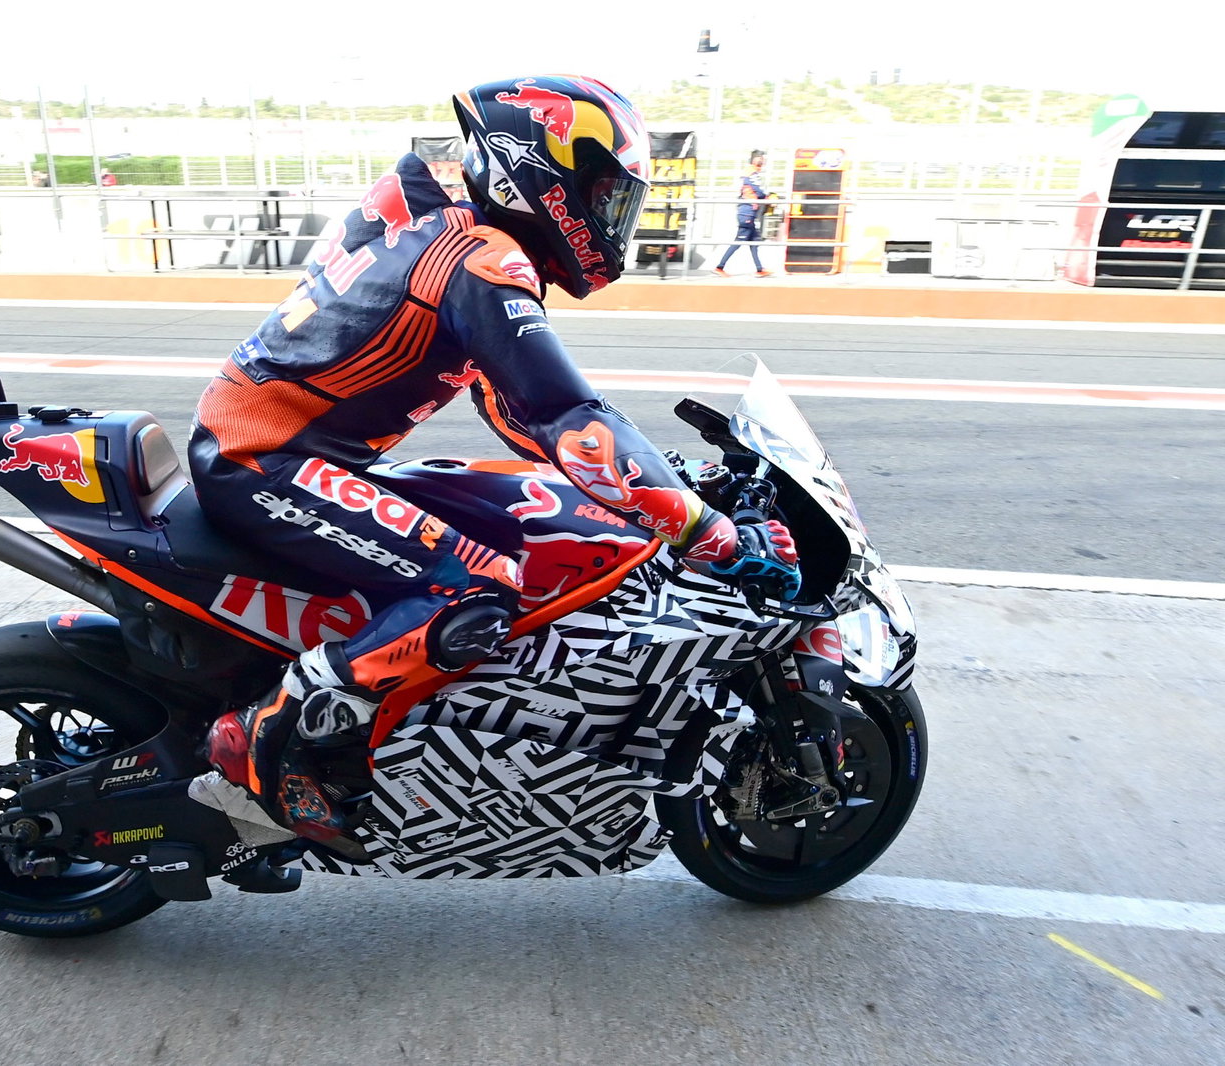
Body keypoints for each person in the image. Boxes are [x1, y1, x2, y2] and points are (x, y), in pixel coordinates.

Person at [193, 76, 802, 845]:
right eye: (607, 195)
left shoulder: (459, 238)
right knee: (477, 585)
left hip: (284, 453)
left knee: (522, 516)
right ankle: (269, 736)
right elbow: (568, 417)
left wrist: (659, 485)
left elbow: (521, 410)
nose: (615, 218)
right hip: (263, 460)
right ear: (545, 171)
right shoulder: (482, 258)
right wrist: (708, 532)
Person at [713, 149, 777, 277]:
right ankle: (719, 267)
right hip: (746, 213)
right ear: (756, 159)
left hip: (749, 212)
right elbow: (759, 191)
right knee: (738, 242)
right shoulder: (750, 173)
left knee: (754, 241)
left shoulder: (752, 173)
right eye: (761, 159)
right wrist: (770, 197)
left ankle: (760, 269)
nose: (763, 162)